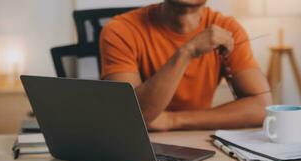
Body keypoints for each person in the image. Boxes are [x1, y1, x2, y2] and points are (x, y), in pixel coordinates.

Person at [100, 0, 272, 131]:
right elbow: (129, 117)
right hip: (142, 141)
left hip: (199, 138)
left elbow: (261, 107)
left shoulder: (227, 29)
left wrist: (174, 120)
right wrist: (187, 51)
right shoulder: (120, 30)